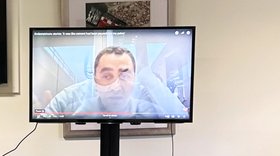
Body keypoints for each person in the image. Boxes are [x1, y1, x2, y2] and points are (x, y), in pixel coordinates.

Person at [42, 46, 188, 120]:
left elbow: (179, 113)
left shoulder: (145, 96)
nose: (116, 86)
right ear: (94, 79)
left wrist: (148, 78)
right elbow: (45, 117)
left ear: (134, 78)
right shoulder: (70, 97)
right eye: (107, 76)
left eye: (124, 75)